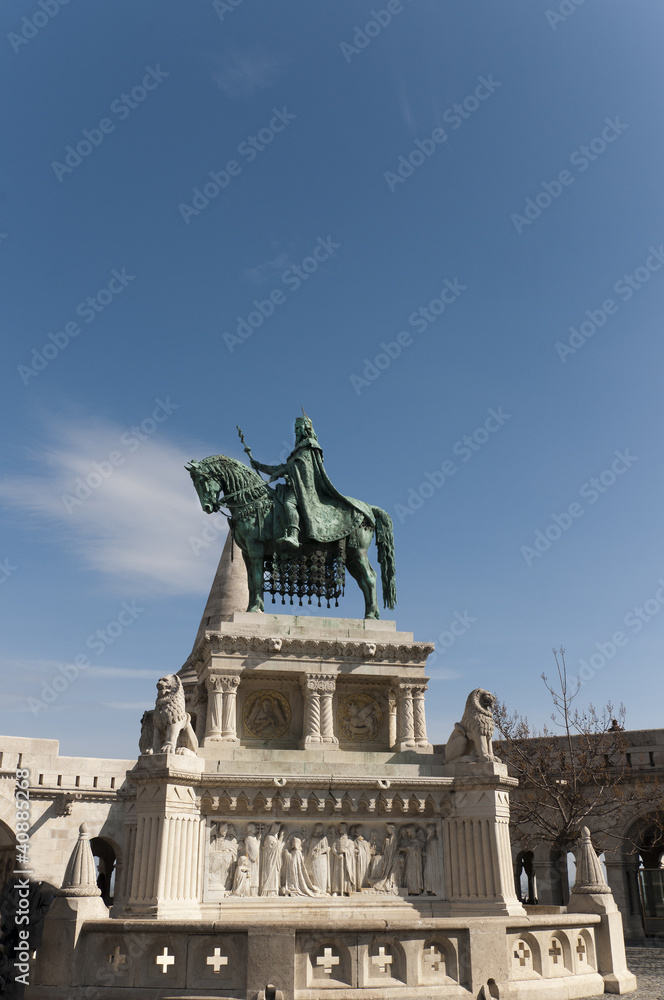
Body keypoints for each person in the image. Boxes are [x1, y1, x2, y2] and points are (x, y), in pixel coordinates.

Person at [245, 414, 368, 548]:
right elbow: (286, 467)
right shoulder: (299, 449)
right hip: (295, 485)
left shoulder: (310, 445)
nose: (296, 431)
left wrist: (280, 473)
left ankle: (293, 535)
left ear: (306, 429)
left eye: (298, 428)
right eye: (295, 429)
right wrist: (260, 466)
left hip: (304, 487)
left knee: (289, 503)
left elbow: (298, 466)